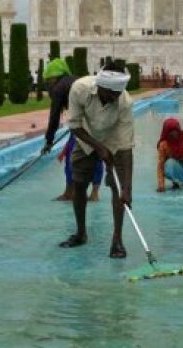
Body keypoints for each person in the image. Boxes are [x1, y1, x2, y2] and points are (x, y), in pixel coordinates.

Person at [57, 63, 133, 259]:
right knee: (79, 181)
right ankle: (81, 233)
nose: (114, 98)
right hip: (86, 136)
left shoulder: (124, 102)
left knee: (119, 189)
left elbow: (126, 147)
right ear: (101, 86)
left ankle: (117, 240)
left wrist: (127, 187)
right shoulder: (79, 89)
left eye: (118, 94)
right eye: (111, 94)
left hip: (114, 138)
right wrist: (98, 147)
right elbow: (74, 125)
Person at [40, 59, 102, 202]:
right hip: (100, 118)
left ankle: (70, 193)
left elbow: (54, 117)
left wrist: (49, 141)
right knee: (97, 153)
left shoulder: (58, 88)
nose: (48, 85)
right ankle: (94, 193)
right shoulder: (74, 81)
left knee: (71, 155)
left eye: (48, 81)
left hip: (87, 121)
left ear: (53, 78)